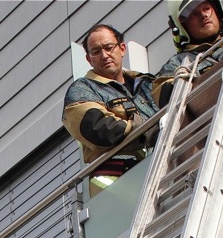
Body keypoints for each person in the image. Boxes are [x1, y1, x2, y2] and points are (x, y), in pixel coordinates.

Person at [62, 24, 159, 196]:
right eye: (96, 51)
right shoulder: (81, 90)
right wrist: (146, 130)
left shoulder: (147, 83)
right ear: (88, 59)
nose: (104, 55)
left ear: (122, 48)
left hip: (159, 169)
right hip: (115, 188)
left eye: (108, 47)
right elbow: (99, 129)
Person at [153, 0, 223, 107]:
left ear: (217, 10)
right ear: (182, 26)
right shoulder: (176, 63)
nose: (204, 15)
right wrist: (188, 85)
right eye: (194, 13)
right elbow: (166, 101)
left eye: (206, 8)